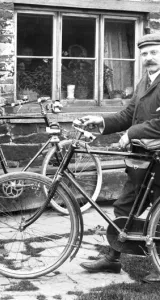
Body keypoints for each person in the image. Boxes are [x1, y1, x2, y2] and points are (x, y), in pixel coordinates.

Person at [78, 32, 160, 283]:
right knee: (124, 207)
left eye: (154, 52)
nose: (149, 58)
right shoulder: (144, 82)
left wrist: (131, 134)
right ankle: (113, 259)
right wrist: (100, 121)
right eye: (144, 54)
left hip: (158, 159)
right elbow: (128, 114)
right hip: (142, 161)